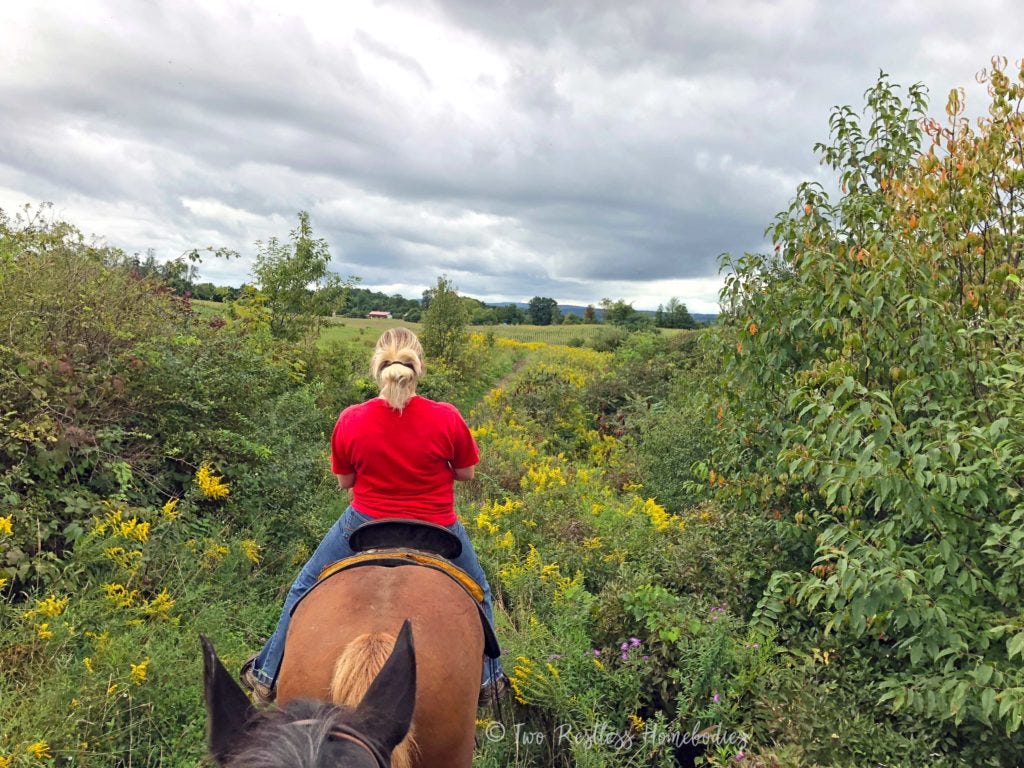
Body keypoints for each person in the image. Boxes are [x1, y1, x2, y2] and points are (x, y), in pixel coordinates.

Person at [240, 327, 506, 704]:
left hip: (364, 523)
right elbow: (466, 473)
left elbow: (344, 482)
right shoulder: (446, 417)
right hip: (438, 525)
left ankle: (266, 674)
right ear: (418, 368)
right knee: (481, 591)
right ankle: (489, 682)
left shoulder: (351, 419)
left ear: (377, 368)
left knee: (303, 586)